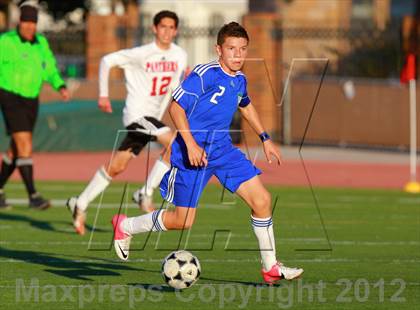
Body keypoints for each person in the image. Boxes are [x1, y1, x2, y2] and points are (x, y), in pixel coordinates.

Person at [110, 22, 304, 284]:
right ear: (219, 50)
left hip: (223, 151)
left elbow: (245, 105)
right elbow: (176, 108)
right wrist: (190, 144)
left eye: (243, 49)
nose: (238, 54)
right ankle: (125, 226)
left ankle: (270, 267)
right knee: (183, 220)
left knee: (262, 201)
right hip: (192, 153)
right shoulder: (205, 74)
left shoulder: (240, 79)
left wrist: (265, 138)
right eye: (231, 48)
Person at [66, 10, 187, 235]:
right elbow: (106, 60)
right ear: (154, 28)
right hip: (137, 116)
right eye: (163, 26)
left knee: (117, 166)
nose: (167, 31)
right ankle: (145, 193)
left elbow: (175, 85)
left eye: (171, 27)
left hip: (152, 119)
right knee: (175, 144)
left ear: (176, 30)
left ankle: (79, 203)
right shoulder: (142, 53)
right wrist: (103, 95)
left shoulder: (180, 55)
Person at [0, 2, 70, 210]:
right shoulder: (6, 42)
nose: (29, 26)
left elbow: (49, 68)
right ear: (19, 22)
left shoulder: (41, 43)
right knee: (25, 145)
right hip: (9, 96)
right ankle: (33, 195)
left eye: (33, 23)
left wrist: (60, 85)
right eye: (26, 22)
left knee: (16, 150)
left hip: (31, 99)